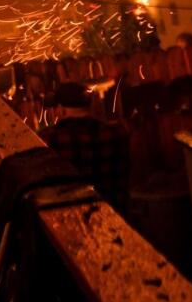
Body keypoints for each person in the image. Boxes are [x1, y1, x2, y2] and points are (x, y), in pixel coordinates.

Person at [39, 81, 130, 212]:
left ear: (61, 109)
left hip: (72, 219)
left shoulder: (48, 140)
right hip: (117, 213)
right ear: (89, 105)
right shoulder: (117, 132)